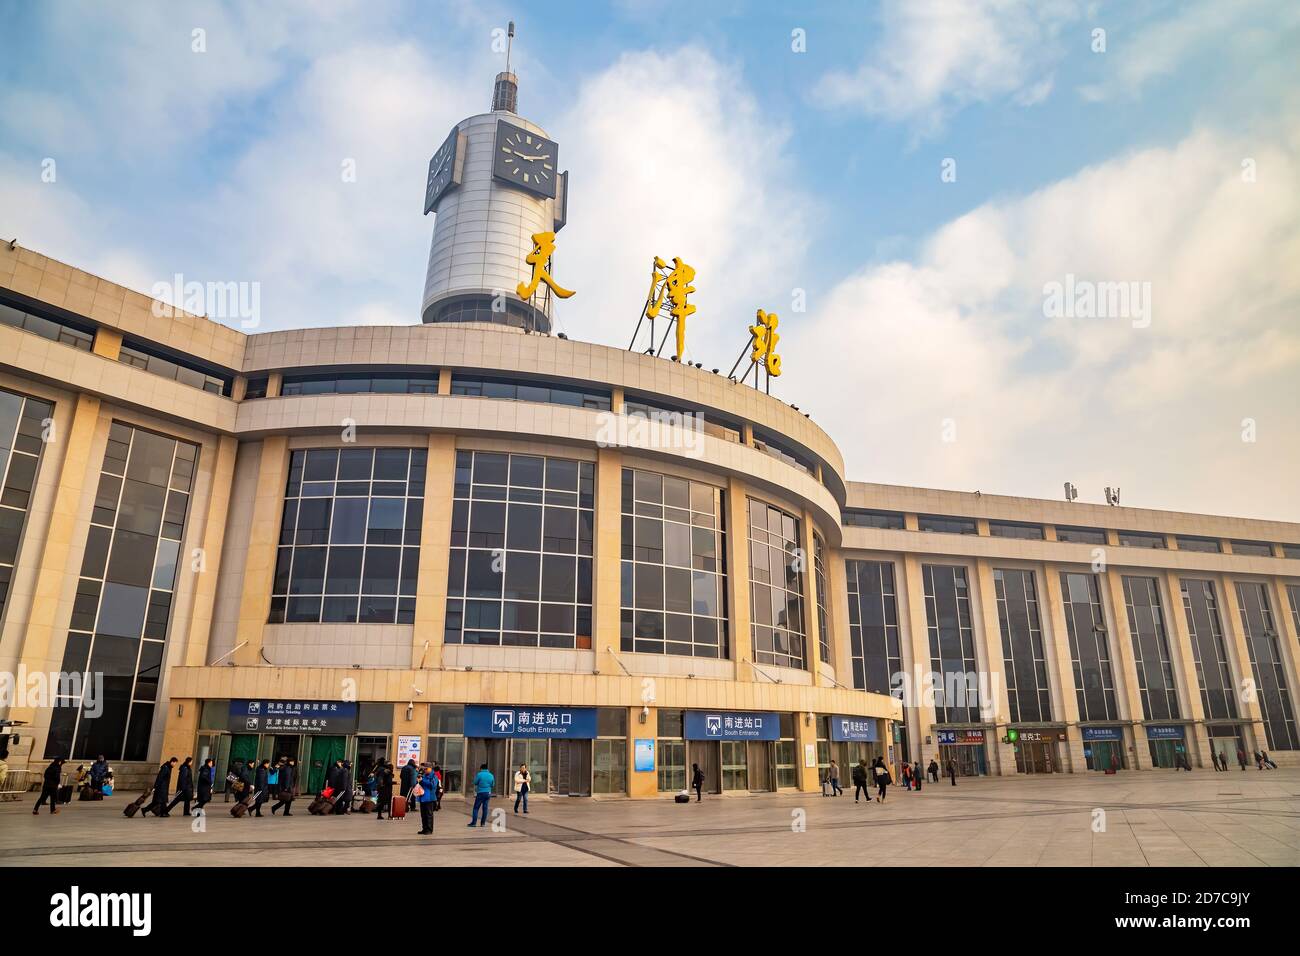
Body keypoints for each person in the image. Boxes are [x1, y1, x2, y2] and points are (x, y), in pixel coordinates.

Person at [467, 762, 494, 828]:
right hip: (488, 793)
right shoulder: (491, 775)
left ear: (481, 768)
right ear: (487, 769)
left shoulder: (479, 774)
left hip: (480, 793)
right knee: (485, 808)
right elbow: (492, 785)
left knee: (476, 808)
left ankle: (474, 823)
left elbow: (475, 782)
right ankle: (483, 823)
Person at [416, 764, 438, 834]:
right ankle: (424, 828)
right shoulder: (424, 775)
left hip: (429, 798)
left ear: (430, 768)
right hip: (422, 797)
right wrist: (418, 781)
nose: (424, 770)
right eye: (424, 769)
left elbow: (432, 785)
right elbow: (420, 783)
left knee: (429, 815)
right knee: (423, 815)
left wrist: (423, 781)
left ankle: (429, 829)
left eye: (426, 769)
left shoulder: (434, 776)